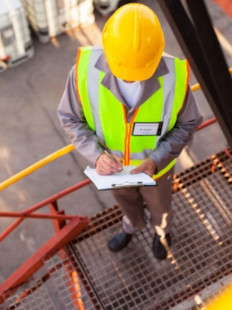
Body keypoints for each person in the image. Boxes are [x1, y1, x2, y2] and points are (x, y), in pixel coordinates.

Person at [57, 3, 203, 260]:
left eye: (138, 73)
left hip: (156, 171)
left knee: (161, 208)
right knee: (127, 205)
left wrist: (157, 160)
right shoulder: (82, 73)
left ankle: (162, 233)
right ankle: (132, 226)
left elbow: (188, 123)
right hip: (113, 172)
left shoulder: (176, 78)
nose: (130, 79)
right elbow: (69, 117)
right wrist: (98, 156)